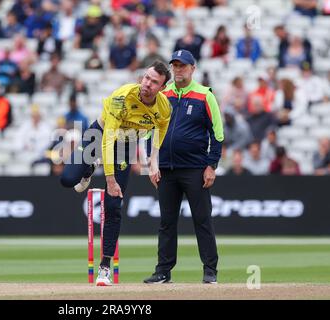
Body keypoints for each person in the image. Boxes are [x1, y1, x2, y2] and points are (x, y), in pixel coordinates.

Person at [60, 61, 172, 286]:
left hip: (126, 145)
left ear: (162, 88)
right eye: (146, 78)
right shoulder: (122, 96)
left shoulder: (164, 107)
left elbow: (161, 129)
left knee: (113, 206)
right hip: (101, 134)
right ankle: (89, 169)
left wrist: (153, 161)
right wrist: (109, 180)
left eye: (154, 82)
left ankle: (104, 268)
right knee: (68, 180)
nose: (147, 84)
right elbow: (107, 140)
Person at [144, 50, 224, 285]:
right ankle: (163, 271)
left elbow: (217, 134)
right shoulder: (163, 94)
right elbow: (152, 130)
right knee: (167, 222)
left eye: (183, 66)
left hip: (194, 169)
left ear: (192, 69)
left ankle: (210, 270)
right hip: (166, 169)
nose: (179, 69)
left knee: (202, 220)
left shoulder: (204, 95)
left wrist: (211, 165)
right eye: (175, 65)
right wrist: (152, 162)